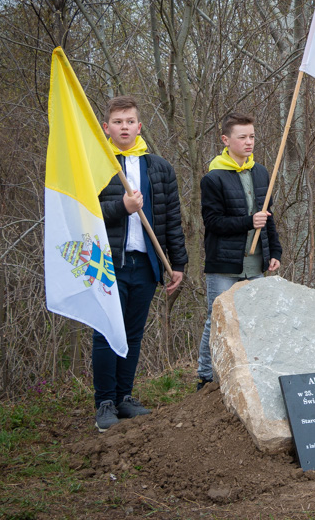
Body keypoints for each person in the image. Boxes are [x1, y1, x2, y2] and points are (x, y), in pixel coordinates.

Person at [95, 96, 188, 431]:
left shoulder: (159, 167)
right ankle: (104, 402)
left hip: (146, 262)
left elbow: (171, 220)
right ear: (106, 127)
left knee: (133, 334)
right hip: (106, 262)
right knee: (107, 332)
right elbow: (85, 214)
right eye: (118, 122)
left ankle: (124, 397)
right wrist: (122, 206)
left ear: (139, 125)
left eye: (130, 121)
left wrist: (177, 264)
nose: (124, 127)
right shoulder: (96, 163)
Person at [196, 113, 282, 390]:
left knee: (256, 318)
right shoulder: (213, 177)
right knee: (217, 318)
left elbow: (268, 216)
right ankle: (206, 375)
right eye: (242, 137)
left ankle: (252, 372)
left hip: (256, 263)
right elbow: (212, 223)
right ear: (226, 139)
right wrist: (248, 222)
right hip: (224, 263)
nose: (249, 142)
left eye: (252, 136)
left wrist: (274, 251)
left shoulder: (261, 172)